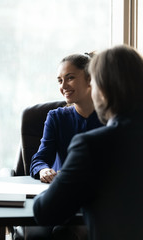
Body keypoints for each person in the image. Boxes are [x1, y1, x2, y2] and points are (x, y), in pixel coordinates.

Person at [33, 45, 143, 239]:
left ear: (101, 88)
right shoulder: (58, 118)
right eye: (60, 80)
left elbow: (45, 210)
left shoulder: (92, 146)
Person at [30, 53, 103, 183]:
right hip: (63, 190)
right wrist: (43, 170)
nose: (63, 87)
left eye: (70, 78)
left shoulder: (110, 118)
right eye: (60, 81)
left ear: (90, 79)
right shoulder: (56, 117)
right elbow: (39, 160)